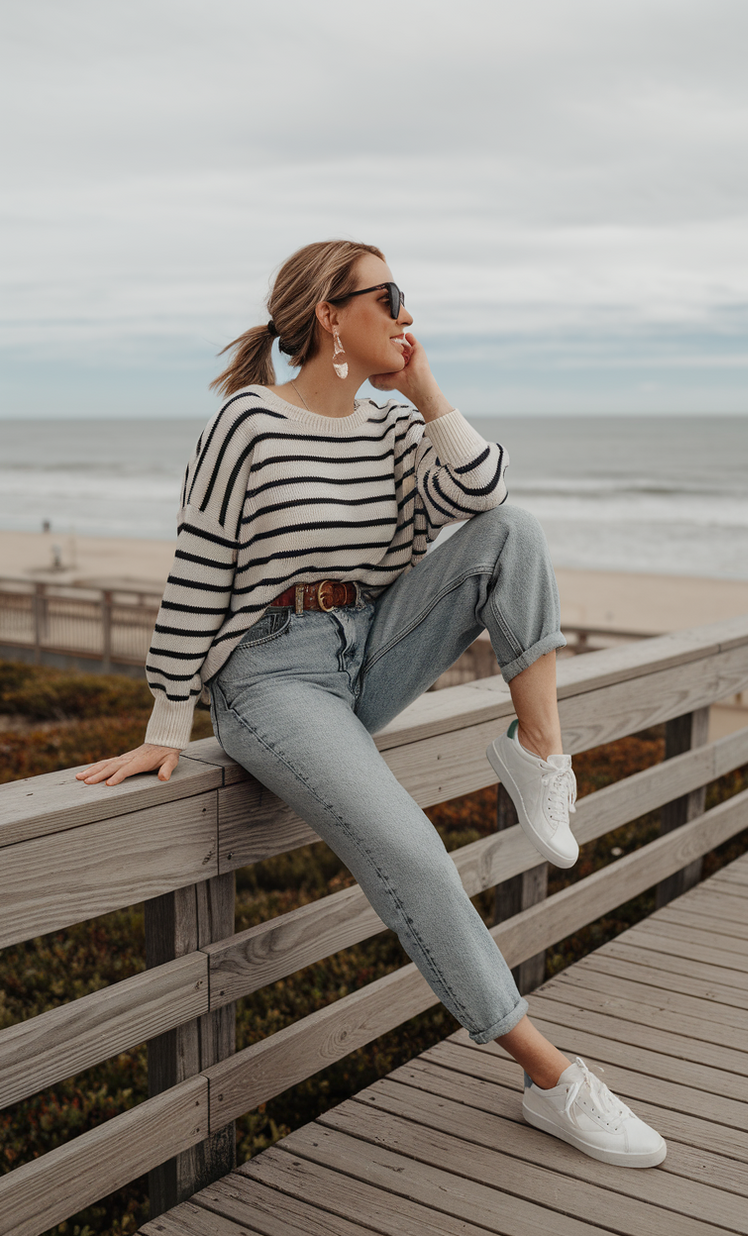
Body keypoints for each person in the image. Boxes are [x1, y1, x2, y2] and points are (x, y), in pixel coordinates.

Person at [77, 240, 666, 1169]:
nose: (405, 313)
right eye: (388, 296)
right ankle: (550, 1077)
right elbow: (195, 572)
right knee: (413, 854)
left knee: (515, 532)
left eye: (406, 296)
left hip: (370, 646)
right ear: (329, 314)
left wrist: (425, 390)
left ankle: (540, 756)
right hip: (271, 675)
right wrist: (164, 722)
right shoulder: (246, 426)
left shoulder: (394, 431)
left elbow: (486, 497)